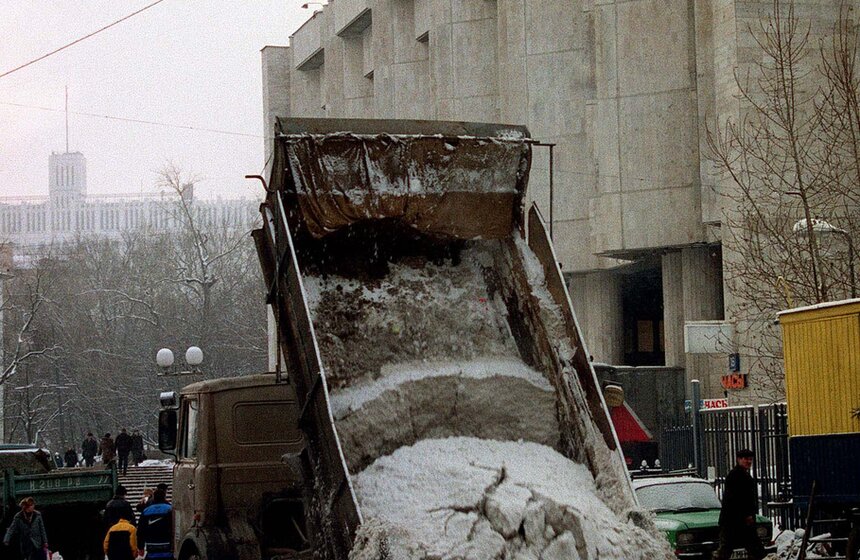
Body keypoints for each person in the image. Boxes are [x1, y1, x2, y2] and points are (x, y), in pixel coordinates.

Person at [714, 449, 766, 560]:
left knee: (755, 549)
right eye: (746, 459)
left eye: (750, 459)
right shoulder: (736, 476)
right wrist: (746, 515)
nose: (749, 462)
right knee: (727, 550)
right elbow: (735, 500)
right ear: (739, 459)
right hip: (735, 521)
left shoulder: (742, 476)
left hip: (738, 522)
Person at [138, 488, 174, 559]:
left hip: (151, 545)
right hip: (167, 544)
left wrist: (140, 547)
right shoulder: (170, 509)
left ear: (154, 497)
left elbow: (140, 531)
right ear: (164, 496)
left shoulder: (146, 511)